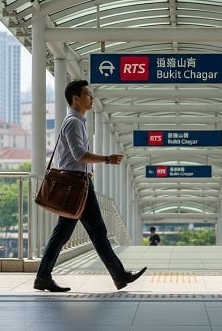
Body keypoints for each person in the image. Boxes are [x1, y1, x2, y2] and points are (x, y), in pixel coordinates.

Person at [34, 79, 146, 292]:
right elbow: (79, 155)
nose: (91, 97)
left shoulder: (78, 121)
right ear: (75, 98)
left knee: (76, 233)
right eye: (87, 94)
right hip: (76, 186)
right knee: (93, 232)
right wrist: (106, 159)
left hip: (78, 185)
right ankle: (119, 275)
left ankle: (44, 276)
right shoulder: (74, 122)